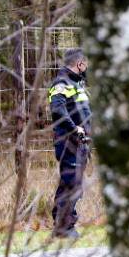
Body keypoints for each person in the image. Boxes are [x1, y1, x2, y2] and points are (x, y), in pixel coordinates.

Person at [48, 48, 92, 238]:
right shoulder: (61, 83)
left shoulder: (77, 82)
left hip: (80, 143)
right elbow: (58, 110)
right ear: (80, 63)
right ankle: (63, 227)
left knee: (72, 183)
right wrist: (75, 128)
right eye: (86, 63)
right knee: (71, 184)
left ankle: (62, 225)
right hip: (69, 141)